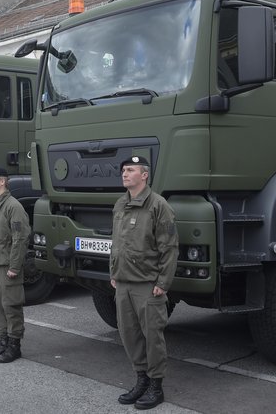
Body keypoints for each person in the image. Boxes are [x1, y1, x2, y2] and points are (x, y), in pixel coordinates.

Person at [110, 156, 178, 410]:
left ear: (145, 175)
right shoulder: (120, 204)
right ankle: (141, 380)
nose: (125, 174)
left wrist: (163, 281)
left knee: (152, 337)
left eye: (130, 170)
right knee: (130, 335)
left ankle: (156, 386)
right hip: (124, 283)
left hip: (148, 285)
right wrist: (114, 272)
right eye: (123, 170)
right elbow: (116, 243)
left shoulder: (158, 206)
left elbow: (169, 247)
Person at [0, 167, 31, 364]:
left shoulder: (13, 206)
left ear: (3, 182)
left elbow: (20, 238)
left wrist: (15, 266)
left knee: (11, 305)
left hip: (6, 264)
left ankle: (14, 345)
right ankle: (3, 341)